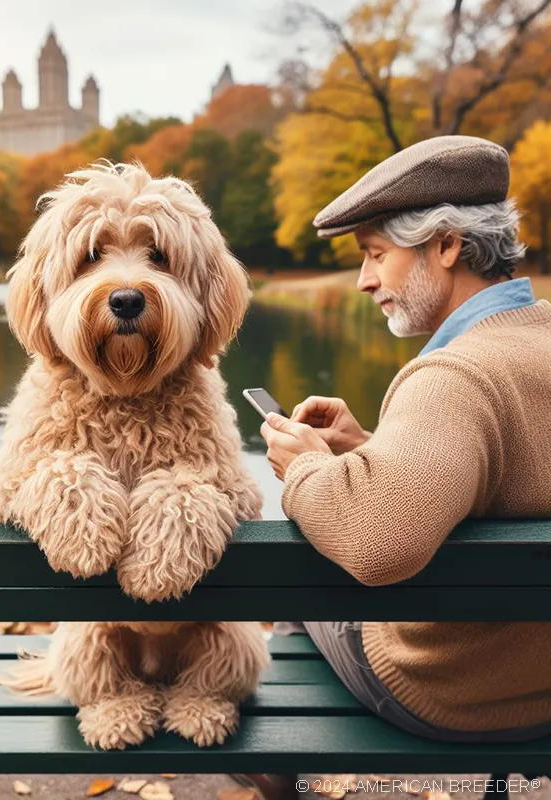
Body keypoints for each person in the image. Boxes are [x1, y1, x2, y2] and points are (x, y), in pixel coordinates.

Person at [251, 136, 551, 798]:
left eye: (376, 255)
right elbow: (501, 477)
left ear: (445, 245)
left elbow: (378, 545)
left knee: (307, 561)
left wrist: (306, 471)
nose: (364, 281)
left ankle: (270, 767)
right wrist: (368, 452)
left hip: (452, 693)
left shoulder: (455, 376)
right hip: (543, 683)